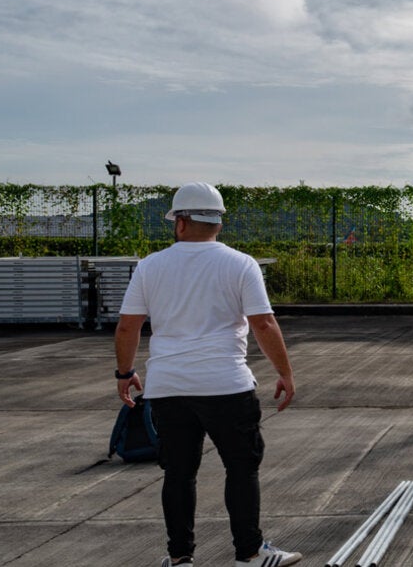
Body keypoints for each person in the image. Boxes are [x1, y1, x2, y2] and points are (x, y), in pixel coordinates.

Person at [112, 182, 301, 567]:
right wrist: (284, 372)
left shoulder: (150, 266)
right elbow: (263, 324)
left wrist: (125, 372)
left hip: (168, 387)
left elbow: (127, 327)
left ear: (180, 222)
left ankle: (180, 557)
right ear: (217, 223)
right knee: (241, 467)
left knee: (179, 473)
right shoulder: (240, 263)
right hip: (226, 385)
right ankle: (248, 553)